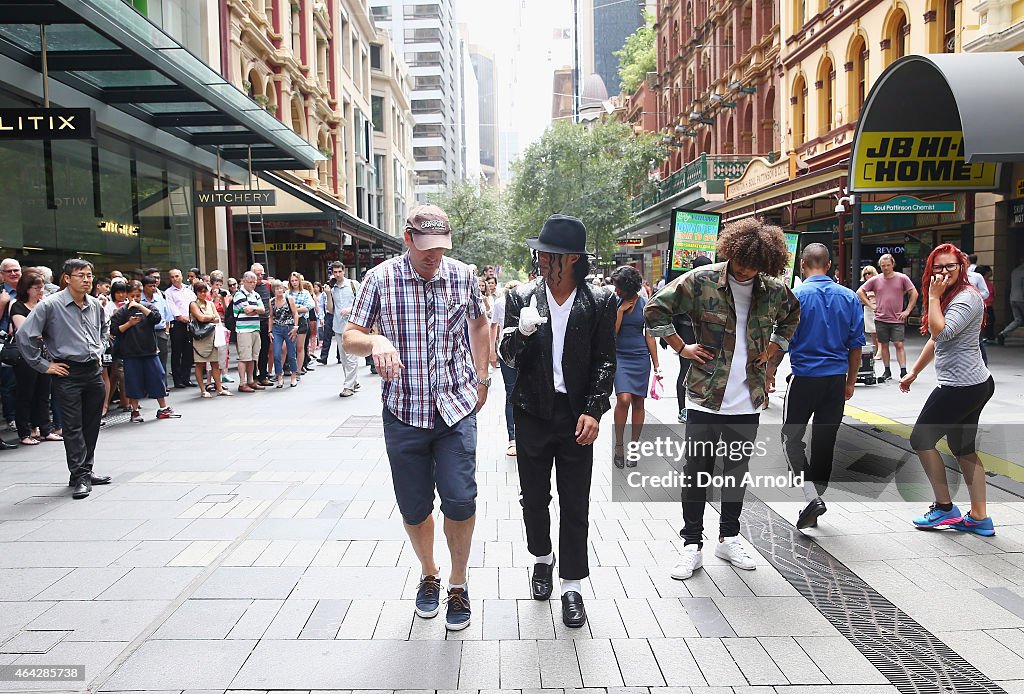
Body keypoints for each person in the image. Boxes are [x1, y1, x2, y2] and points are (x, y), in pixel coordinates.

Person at [343, 204, 490, 632]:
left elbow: (480, 326)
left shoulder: (462, 275)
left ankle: (458, 584)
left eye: (440, 248)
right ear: (407, 239)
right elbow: (350, 337)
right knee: (414, 506)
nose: (433, 256)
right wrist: (376, 341)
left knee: (461, 499)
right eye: (425, 247)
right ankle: (429, 573)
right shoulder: (380, 278)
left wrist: (483, 377)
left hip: (455, 407)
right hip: (404, 410)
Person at [645, 217, 800, 581]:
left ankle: (728, 537)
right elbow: (654, 308)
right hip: (704, 395)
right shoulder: (702, 281)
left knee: (735, 472)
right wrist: (681, 347)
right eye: (741, 262)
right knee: (696, 472)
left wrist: (775, 349)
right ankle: (691, 544)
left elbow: (792, 316)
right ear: (731, 252)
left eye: (754, 266)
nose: (745, 270)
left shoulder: (774, 290)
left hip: (748, 398)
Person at [498, 214, 617, 629]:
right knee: (534, 499)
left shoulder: (600, 301)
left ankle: (573, 585)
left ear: (568, 259)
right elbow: (506, 357)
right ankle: (541, 559)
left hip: (575, 416)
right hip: (532, 412)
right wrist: (522, 333)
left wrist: (594, 409)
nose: (539, 259)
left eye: (546, 254)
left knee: (575, 502)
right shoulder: (522, 297)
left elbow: (605, 360)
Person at [900, 244, 995, 536]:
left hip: (961, 387)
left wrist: (932, 296)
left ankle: (944, 508)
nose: (943, 272)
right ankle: (980, 518)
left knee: (921, 439)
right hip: (972, 384)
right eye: (938, 267)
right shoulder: (951, 296)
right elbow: (936, 340)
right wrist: (914, 371)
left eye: (950, 267)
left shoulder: (966, 298)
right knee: (963, 448)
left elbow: (942, 331)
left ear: (961, 268)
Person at [781, 244, 864, 529]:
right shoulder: (850, 297)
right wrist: (850, 382)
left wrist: (767, 374)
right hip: (835, 381)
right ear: (829, 265)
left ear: (802, 264)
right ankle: (815, 497)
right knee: (825, 442)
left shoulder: (795, 297)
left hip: (803, 379)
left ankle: (810, 496)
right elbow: (856, 348)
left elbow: (781, 342)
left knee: (790, 438)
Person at [16, 259, 112, 499]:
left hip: (93, 370)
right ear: (67, 278)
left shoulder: (94, 304)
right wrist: (44, 366)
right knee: (72, 426)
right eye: (81, 275)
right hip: (67, 372)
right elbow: (25, 335)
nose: (87, 280)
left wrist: (99, 349)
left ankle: (84, 470)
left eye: (89, 275)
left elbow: (104, 327)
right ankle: (79, 476)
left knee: (92, 424)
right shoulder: (50, 305)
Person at [610, 265, 660, 469]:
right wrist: (621, 311)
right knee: (623, 399)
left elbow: (649, 336)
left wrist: (657, 365)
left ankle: (633, 447)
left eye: (618, 287)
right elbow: (611, 333)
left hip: (640, 357)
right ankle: (619, 445)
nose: (615, 290)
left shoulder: (644, 303)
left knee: (638, 403)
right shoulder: (614, 302)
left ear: (628, 287)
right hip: (620, 355)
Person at [112, 281, 182, 423]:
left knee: (157, 378)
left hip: (149, 351)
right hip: (131, 353)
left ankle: (163, 408)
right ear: (127, 295)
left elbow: (156, 319)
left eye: (138, 296)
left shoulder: (148, 307)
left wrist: (140, 306)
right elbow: (114, 330)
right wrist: (129, 324)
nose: (135, 299)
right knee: (133, 382)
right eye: (132, 296)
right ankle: (135, 411)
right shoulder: (122, 312)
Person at [9, 269, 57, 447]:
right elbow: (26, 332)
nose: (40, 291)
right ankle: (25, 432)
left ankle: (46, 430)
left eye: (42, 287)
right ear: (27, 288)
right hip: (25, 356)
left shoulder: (44, 304)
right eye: (36, 287)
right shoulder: (18, 306)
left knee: (44, 394)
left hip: (44, 355)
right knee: (25, 394)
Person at [857, 254, 919, 382]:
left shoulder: (902, 278)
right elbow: (860, 291)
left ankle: (903, 371)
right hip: (881, 318)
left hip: (896, 318)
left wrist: (907, 310)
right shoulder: (876, 279)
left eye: (888, 265)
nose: (885, 268)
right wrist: (870, 305)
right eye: (883, 266)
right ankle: (887, 370)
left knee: (899, 343)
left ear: (893, 264)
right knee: (883, 345)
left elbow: (914, 293)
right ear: (880, 266)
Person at [672, 256, 714, 423]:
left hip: (695, 330)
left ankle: (691, 407)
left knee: (694, 368)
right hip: (687, 330)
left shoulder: (711, 284)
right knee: (686, 368)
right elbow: (673, 309)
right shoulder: (686, 283)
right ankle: (684, 409)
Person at [491, 280, 520, 456]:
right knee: (512, 394)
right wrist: (491, 352)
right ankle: (513, 438)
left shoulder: (501, 302)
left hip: (511, 352)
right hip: (508, 353)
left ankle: (514, 439)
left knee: (512, 395)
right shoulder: (500, 303)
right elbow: (493, 326)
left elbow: (493, 327)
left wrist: (492, 352)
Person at [188, 281, 231, 398]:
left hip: (212, 336)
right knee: (200, 364)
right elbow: (201, 318)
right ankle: (203, 390)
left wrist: (211, 318)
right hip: (200, 337)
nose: (202, 293)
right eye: (200, 291)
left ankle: (219, 388)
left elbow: (218, 318)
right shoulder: (193, 304)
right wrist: (211, 318)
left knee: (215, 364)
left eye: (204, 291)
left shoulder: (210, 303)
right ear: (196, 292)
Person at [327, 262, 362, 397]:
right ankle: (353, 381)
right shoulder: (332, 288)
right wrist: (328, 294)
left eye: (339, 272)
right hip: (338, 326)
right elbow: (330, 309)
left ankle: (348, 386)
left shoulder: (353, 285)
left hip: (352, 325)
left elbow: (362, 303)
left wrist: (350, 310)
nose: (337, 274)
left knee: (351, 356)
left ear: (344, 271)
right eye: (334, 272)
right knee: (344, 357)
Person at [233, 271, 266, 392]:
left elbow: (262, 310)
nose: (253, 284)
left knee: (253, 357)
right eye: (250, 282)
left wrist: (254, 309)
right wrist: (255, 309)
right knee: (244, 357)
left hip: (255, 328)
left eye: (254, 282)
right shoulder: (239, 294)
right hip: (244, 329)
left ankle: (251, 380)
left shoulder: (256, 294)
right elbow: (247, 311)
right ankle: (242, 383)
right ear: (244, 281)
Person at [164, 269, 197, 390]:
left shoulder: (188, 290)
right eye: (172, 277)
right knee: (177, 352)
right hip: (177, 324)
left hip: (190, 323)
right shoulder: (168, 292)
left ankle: (186, 378)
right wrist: (180, 317)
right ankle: (177, 380)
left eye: (177, 276)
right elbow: (172, 308)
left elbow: (194, 303)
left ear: (181, 276)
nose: (175, 279)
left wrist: (192, 316)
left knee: (188, 352)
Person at [0, 257, 22, 429]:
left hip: (25, 344)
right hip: (5, 345)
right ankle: (12, 417)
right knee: (9, 382)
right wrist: (2, 304)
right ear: (2, 275)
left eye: (16, 270)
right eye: (9, 271)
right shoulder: (2, 294)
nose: (14, 273)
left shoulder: (26, 291)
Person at [269, 279, 300, 388]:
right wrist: (270, 330)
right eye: (277, 289)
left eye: (281, 288)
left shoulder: (289, 299)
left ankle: (293, 375)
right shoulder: (271, 301)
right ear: (273, 290)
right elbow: (271, 316)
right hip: (277, 328)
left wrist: (295, 326)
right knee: (276, 353)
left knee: (291, 353)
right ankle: (279, 376)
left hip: (289, 327)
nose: (279, 290)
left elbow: (295, 313)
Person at [286, 272, 314, 376]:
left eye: (296, 280)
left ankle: (298, 369)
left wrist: (295, 309)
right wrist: (296, 308)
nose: (294, 282)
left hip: (302, 321)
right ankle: (287, 368)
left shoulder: (305, 293)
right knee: (287, 346)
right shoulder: (287, 293)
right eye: (292, 281)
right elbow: (285, 307)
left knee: (300, 347)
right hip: (289, 321)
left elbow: (309, 307)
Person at [250, 263, 273, 386]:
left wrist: (270, 319)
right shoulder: (250, 287)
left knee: (264, 350)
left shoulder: (267, 285)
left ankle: (263, 375)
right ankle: (253, 377)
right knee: (254, 351)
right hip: (253, 321)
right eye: (257, 274)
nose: (259, 277)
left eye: (261, 274)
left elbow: (269, 303)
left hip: (265, 321)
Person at [996, 256, 1024, 345]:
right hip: (1022, 299)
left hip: (1013, 298)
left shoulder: (1014, 271)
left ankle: (1003, 334)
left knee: (1018, 319)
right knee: (1018, 319)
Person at [859, 265, 879, 358]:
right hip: (868, 309)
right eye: (865, 274)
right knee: (872, 332)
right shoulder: (863, 286)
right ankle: (876, 350)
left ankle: (880, 351)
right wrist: (867, 301)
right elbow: (860, 298)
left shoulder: (878, 283)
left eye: (869, 273)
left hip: (878, 309)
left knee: (879, 331)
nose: (867, 275)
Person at [977, 266, 997, 343]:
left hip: (986, 305)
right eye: (990, 271)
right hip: (986, 305)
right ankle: (987, 336)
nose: (991, 272)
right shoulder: (985, 284)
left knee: (988, 321)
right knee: (989, 321)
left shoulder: (983, 283)